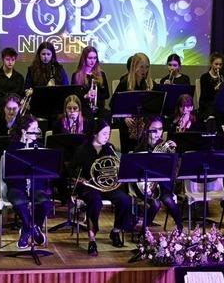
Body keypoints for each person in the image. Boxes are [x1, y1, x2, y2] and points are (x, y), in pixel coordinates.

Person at [71, 120, 133, 256]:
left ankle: (116, 231)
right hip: (89, 186)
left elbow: (117, 168)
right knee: (95, 202)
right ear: (94, 134)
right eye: (104, 133)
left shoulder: (109, 148)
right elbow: (73, 171)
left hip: (108, 186)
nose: (107, 136)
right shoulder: (82, 150)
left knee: (125, 200)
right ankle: (92, 239)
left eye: (108, 134)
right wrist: (78, 178)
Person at [4, 115, 51, 249]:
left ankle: (27, 230)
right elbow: (8, 175)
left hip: (36, 187)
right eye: (34, 128)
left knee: (45, 203)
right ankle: (33, 229)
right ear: (24, 131)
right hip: (17, 186)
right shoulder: (12, 148)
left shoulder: (40, 148)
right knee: (19, 202)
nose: (37, 131)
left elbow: (46, 173)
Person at [132, 116, 183, 232]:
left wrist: (174, 154)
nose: (157, 133)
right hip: (145, 185)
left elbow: (172, 171)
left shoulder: (165, 146)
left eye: (160, 129)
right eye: (154, 129)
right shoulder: (140, 147)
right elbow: (136, 171)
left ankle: (180, 228)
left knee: (168, 200)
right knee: (155, 204)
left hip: (162, 186)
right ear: (147, 129)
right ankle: (143, 232)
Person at [111, 52, 154, 153]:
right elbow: (113, 105)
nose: (144, 71)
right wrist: (124, 117)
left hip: (143, 126)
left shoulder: (147, 83)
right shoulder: (125, 83)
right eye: (141, 67)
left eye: (147, 67)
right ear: (134, 67)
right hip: (127, 126)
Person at [71, 46, 110, 113]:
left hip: (99, 110)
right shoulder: (76, 75)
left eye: (95, 58)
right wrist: (86, 96)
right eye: (90, 58)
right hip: (83, 110)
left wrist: (96, 95)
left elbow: (106, 94)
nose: (93, 61)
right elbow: (74, 96)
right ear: (84, 59)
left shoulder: (101, 74)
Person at [0, 47, 25, 113]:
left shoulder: (20, 78)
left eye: (13, 60)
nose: (10, 62)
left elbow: (20, 97)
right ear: (3, 59)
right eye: (8, 59)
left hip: (15, 112)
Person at [198, 52, 224, 118]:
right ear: (211, 64)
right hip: (207, 106)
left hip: (219, 106)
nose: (218, 67)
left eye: (220, 64)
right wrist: (215, 89)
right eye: (216, 64)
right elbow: (204, 97)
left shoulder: (223, 77)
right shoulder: (205, 77)